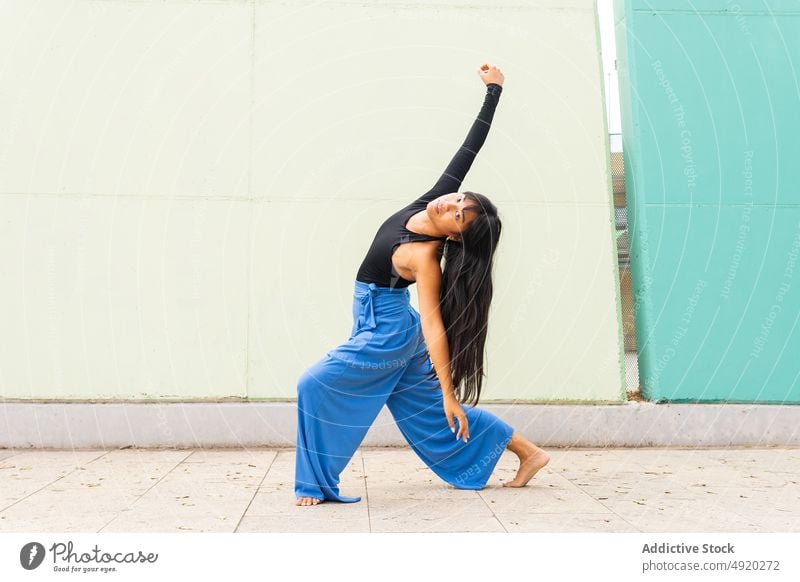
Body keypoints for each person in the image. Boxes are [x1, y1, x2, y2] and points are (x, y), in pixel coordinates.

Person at [295, 63, 549, 506]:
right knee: (427, 414)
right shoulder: (429, 203)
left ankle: (314, 484)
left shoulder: (425, 256)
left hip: (389, 332)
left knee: (313, 384)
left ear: (454, 235)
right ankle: (529, 452)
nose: (451, 204)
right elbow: (468, 150)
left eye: (457, 214)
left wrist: (450, 392)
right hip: (388, 323)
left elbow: (434, 328)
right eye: (460, 200)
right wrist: (493, 92)